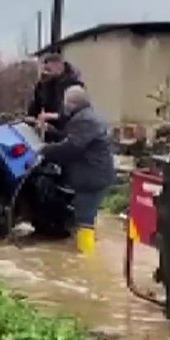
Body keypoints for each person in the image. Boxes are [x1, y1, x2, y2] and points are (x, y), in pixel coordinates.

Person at [38, 84, 114, 254]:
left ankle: (87, 258)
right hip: (97, 174)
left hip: (91, 177)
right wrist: (53, 132)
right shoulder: (88, 117)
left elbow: (72, 147)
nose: (63, 107)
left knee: (84, 217)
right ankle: (87, 249)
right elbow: (75, 140)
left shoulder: (83, 120)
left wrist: (43, 149)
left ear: (72, 104)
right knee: (85, 214)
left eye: (65, 103)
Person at [26, 52, 83, 138]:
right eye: (44, 69)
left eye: (49, 70)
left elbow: (76, 110)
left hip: (70, 130)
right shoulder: (43, 84)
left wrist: (54, 116)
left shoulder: (74, 85)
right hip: (49, 130)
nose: (45, 72)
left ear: (59, 67)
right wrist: (31, 117)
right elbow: (36, 104)